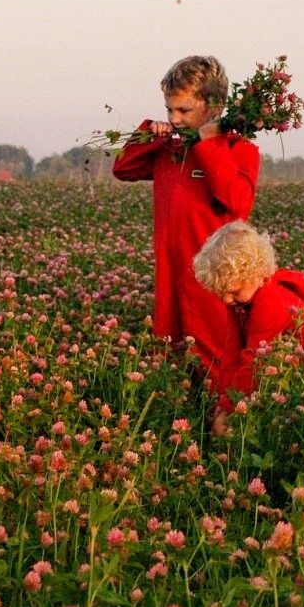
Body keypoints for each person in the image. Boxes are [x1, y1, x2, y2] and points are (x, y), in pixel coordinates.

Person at [112, 56, 260, 389]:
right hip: (170, 266)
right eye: (169, 110)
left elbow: (238, 203)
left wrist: (209, 145)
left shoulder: (238, 149)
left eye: (183, 110)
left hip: (214, 274)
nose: (174, 119)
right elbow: (123, 169)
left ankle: (222, 407)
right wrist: (150, 134)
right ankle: (175, 406)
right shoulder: (169, 150)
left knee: (215, 350)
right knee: (169, 345)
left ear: (214, 106)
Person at [193, 219, 304, 423]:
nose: (227, 300)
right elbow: (232, 353)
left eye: (234, 291)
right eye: (221, 293)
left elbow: (254, 364)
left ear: (257, 274)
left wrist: (229, 410)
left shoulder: (271, 302)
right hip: (277, 364)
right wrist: (223, 400)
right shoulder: (241, 302)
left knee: (270, 411)